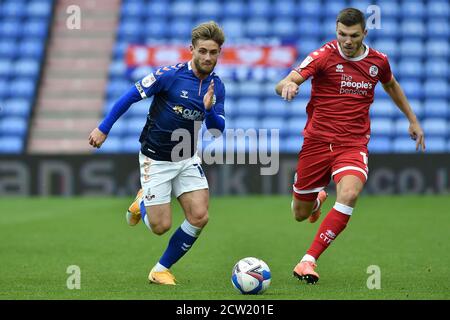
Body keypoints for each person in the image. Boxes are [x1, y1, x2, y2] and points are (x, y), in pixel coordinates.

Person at [275, 8, 425, 284]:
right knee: (300, 214)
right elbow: (287, 80)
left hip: (352, 144)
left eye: (353, 35)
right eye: (342, 34)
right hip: (317, 143)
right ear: (336, 30)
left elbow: (391, 85)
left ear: (364, 33)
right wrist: (288, 85)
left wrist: (412, 119)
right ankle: (318, 197)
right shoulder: (322, 56)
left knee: (350, 193)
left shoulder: (378, 62)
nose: (347, 40)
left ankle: (308, 260)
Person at [88, 21, 226, 285]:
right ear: (192, 50)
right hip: (156, 158)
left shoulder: (216, 87)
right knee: (160, 227)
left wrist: (209, 110)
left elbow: (217, 129)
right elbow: (130, 95)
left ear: (220, 53)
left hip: (187, 158)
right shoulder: (169, 75)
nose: (208, 57)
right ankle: (141, 202)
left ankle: (161, 269)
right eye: (203, 51)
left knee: (199, 216)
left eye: (213, 52)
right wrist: (104, 128)